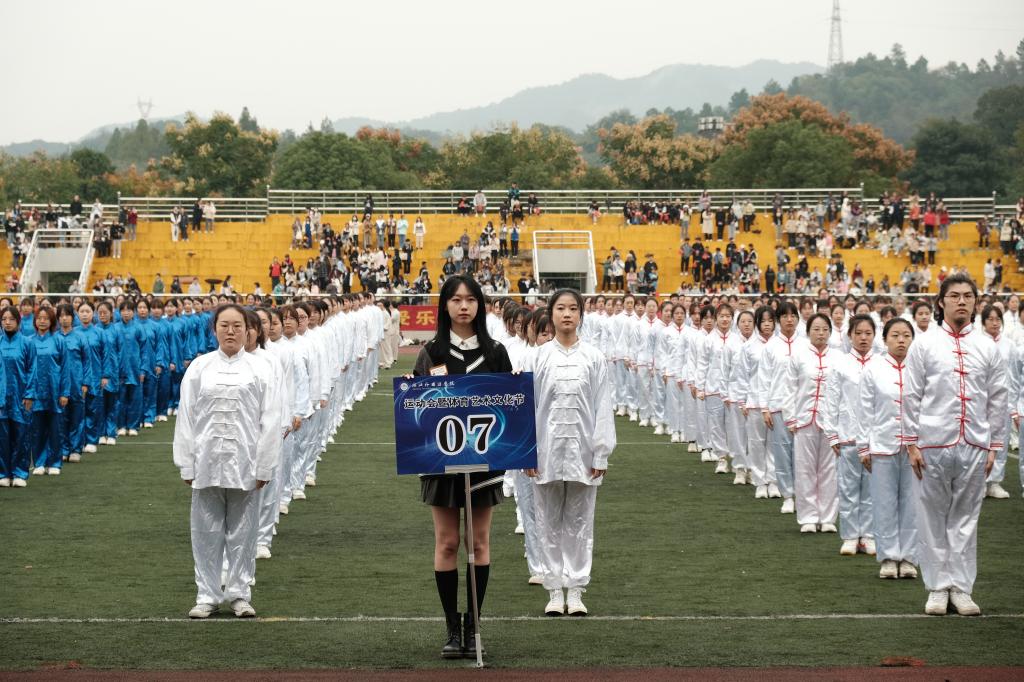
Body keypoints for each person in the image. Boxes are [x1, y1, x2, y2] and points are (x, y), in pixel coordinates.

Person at [410, 274, 512, 658]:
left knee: (479, 542)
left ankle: (474, 626)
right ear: (445, 305)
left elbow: (510, 406)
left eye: (470, 299)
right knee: (448, 542)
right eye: (456, 299)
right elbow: (416, 410)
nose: (463, 306)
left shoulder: (496, 352)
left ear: (480, 304)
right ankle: (452, 626)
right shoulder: (431, 352)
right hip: (440, 462)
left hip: (485, 461)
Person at [903, 273, 1007, 616]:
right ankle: (937, 587)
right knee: (931, 515)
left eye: (968, 296)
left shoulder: (987, 347)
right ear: (941, 302)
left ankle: (961, 587)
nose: (962, 301)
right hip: (932, 443)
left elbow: (998, 398)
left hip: (975, 443)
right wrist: (911, 443)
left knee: (966, 517)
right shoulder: (924, 344)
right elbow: (911, 394)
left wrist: (994, 446)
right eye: (955, 296)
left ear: (976, 302)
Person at [173, 304, 280, 619]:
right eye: (224, 325)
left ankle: (239, 594)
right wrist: (186, 462)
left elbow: (271, 420)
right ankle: (207, 594)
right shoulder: (200, 367)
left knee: (243, 533)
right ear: (214, 329)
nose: (230, 331)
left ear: (248, 330)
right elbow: (186, 417)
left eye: (237, 326)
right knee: (205, 532)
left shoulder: (261, 369)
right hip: (206, 461)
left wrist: (265, 464)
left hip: (246, 462)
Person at [528, 288, 615, 618]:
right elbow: (528, 407)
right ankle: (554, 590)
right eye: (561, 308)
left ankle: (576, 589)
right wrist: (527, 452)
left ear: (581, 314)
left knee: (580, 522)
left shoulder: (594, 358)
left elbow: (603, 406)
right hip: (546, 452)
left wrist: (601, 452)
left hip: (583, 452)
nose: (567, 314)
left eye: (573, 309)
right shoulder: (538, 358)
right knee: (548, 521)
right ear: (550, 314)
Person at [856, 317, 919, 579]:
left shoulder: (920, 369)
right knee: (884, 503)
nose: (901, 340)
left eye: (906, 335)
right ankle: (888, 557)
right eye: (895, 335)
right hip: (882, 444)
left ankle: (909, 557)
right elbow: (864, 410)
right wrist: (863, 446)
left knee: (912, 504)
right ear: (885, 340)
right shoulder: (873, 369)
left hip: (915, 448)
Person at [825, 314, 876, 556]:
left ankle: (868, 535)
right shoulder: (840, 364)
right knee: (848, 488)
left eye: (868, 333)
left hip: (876, 438)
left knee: (871, 490)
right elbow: (831, 399)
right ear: (850, 336)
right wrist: (832, 434)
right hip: (847, 434)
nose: (863, 338)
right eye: (858, 333)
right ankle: (849, 536)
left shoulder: (880, 364)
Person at [782, 313, 838, 533]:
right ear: (808, 332)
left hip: (830, 421)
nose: (821, 333)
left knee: (829, 469)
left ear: (830, 332)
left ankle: (827, 517)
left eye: (825, 329)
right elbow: (789, 388)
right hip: (804, 419)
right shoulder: (799, 356)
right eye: (816, 329)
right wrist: (790, 417)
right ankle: (807, 516)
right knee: (805, 468)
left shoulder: (838, 358)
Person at [26, 307, 70, 476]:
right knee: (36, 429)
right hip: (35, 392)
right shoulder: (29, 341)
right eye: (39, 318)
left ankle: (54, 462)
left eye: (46, 318)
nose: (42, 321)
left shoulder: (59, 341)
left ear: (52, 321)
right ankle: (39, 462)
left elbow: (65, 368)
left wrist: (64, 392)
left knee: (55, 428)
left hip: (54, 390)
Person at [0, 305, 35, 487]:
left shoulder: (27, 343)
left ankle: (20, 472)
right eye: (4, 319)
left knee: (21, 435)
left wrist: (29, 394)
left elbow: (32, 370)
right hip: (1, 398)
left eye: (11, 319)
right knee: (2, 437)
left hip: (21, 397)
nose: (7, 322)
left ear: (18, 321)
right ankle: (4, 473)